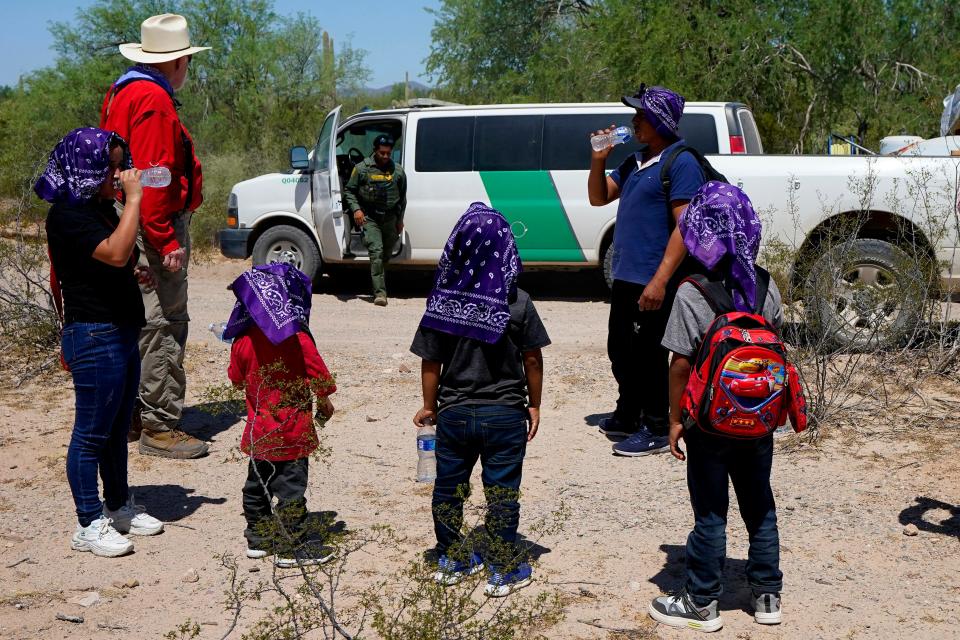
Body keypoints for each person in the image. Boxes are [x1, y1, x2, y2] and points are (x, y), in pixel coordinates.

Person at [648, 182, 784, 632]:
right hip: (759, 422)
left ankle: (701, 602)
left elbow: (679, 364)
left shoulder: (692, 291)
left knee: (710, 511)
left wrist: (674, 421)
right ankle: (767, 597)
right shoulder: (767, 285)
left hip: (708, 425)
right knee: (760, 506)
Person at [410, 202, 550, 597]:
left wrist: (430, 404)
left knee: (450, 485)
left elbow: (430, 360)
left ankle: (452, 557)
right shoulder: (518, 301)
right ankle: (503, 566)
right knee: (502, 489)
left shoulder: (442, 301)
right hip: (506, 415)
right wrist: (534, 403)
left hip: (453, 414)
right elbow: (533, 357)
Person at [38, 127, 164, 557]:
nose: (120, 173)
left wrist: (135, 272)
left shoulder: (101, 208)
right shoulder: (68, 214)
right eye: (110, 165)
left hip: (121, 329)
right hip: (93, 334)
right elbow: (111, 252)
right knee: (91, 433)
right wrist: (134, 199)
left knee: (115, 430)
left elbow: (116, 259)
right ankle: (88, 522)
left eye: (120, 163)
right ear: (87, 167)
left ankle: (117, 505)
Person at [100, 13, 210, 459]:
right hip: (148, 223)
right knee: (164, 322)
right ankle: (160, 426)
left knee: (133, 318)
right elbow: (156, 178)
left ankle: (129, 416)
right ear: (178, 61)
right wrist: (165, 240)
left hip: (125, 219)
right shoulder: (154, 100)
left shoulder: (122, 91)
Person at [587, 84, 706, 457]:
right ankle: (628, 413)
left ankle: (656, 426)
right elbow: (598, 197)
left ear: (659, 121)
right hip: (626, 275)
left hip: (653, 280)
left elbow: (685, 228)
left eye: (640, 115)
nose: (633, 121)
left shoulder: (681, 162)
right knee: (621, 350)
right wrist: (598, 159)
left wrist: (659, 280)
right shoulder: (636, 161)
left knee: (649, 355)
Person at [224, 263, 338, 567]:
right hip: (293, 430)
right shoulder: (297, 337)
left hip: (259, 429)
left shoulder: (243, 339)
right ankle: (292, 547)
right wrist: (324, 400)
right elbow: (320, 376)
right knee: (290, 489)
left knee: (257, 485)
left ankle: (258, 540)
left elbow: (235, 378)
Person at [344, 134, 407, 306]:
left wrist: (400, 220)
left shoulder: (398, 171)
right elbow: (349, 191)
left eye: (388, 153)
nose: (385, 157)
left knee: (385, 254)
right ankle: (380, 293)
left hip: (390, 219)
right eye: (382, 153)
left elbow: (402, 199)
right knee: (377, 252)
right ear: (375, 150)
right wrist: (356, 209)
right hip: (370, 217)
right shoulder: (362, 169)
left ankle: (377, 278)